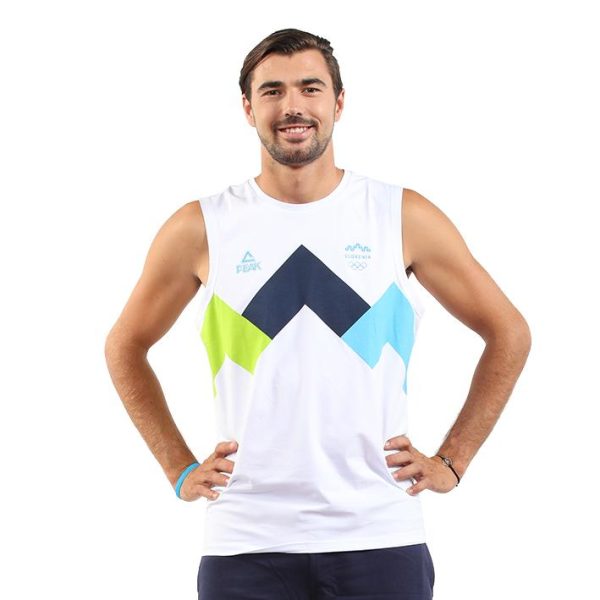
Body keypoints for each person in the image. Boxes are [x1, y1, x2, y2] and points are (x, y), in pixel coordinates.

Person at [105, 28, 531, 600]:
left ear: (339, 102)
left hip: (381, 534)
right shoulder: (201, 226)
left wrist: (453, 461)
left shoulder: (399, 216)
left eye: (310, 88)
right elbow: (124, 346)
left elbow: (509, 332)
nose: (293, 106)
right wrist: (177, 467)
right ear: (248, 108)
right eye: (273, 91)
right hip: (246, 540)